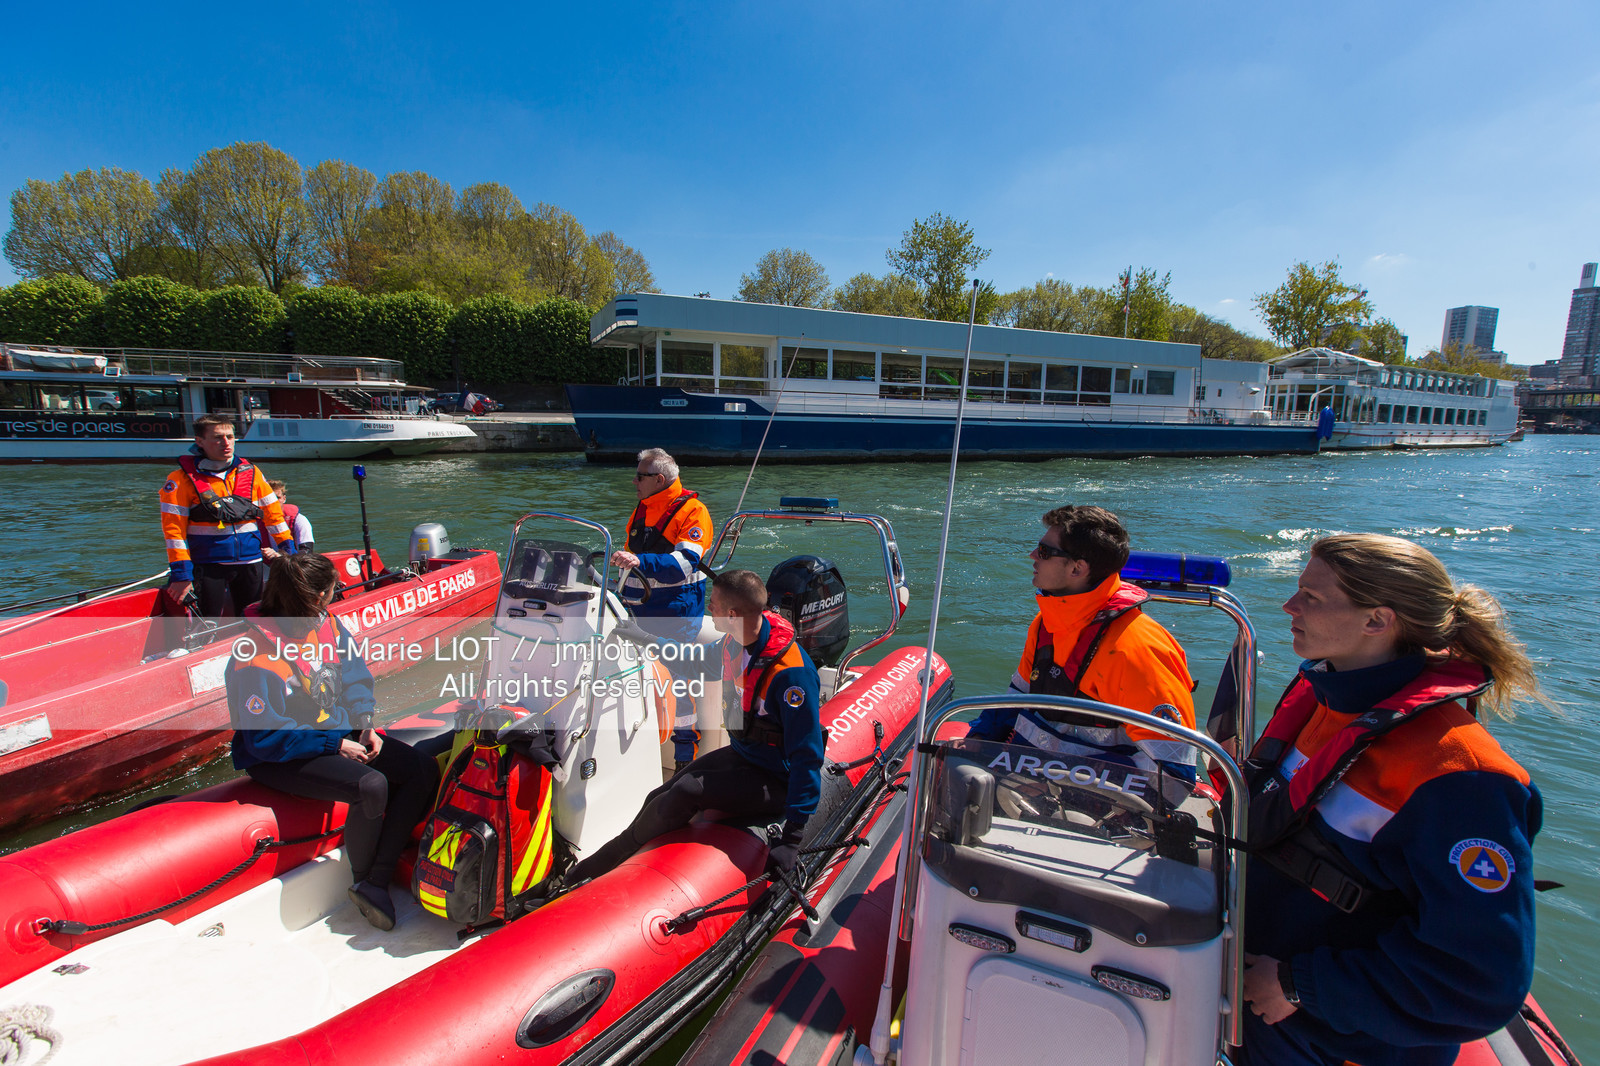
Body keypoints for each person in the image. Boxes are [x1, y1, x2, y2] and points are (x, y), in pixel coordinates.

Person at [1239, 534, 1544, 1066]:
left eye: (1311, 596)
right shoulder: (1324, 700)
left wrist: (1297, 985)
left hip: (1332, 1040)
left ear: (1377, 621)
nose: (1290, 606)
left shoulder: (1461, 777)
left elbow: (1479, 979)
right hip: (1256, 1005)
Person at [560, 569, 824, 888]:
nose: (707, 607)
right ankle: (608, 866)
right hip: (746, 756)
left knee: (686, 792)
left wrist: (791, 839)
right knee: (661, 793)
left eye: (712, 603)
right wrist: (643, 638)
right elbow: (693, 659)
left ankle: (588, 876)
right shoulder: (735, 643)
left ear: (732, 614)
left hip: (775, 779)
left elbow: (807, 757)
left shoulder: (791, 677)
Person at [225, 552, 440, 930]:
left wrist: (364, 724)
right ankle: (365, 879)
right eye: (332, 592)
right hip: (281, 753)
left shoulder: (328, 627)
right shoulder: (254, 655)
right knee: (371, 784)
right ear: (319, 595)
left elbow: (356, 678)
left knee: (421, 768)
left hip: (333, 733)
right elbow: (264, 737)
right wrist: (334, 746)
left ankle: (378, 878)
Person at [966, 505, 1199, 788]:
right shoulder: (1045, 625)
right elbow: (1016, 699)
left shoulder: (1137, 648)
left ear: (1077, 568)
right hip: (1033, 788)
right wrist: (976, 741)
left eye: (1044, 551)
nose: (1032, 556)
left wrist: (1075, 790)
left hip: (1096, 814)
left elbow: (1173, 777)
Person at [610, 447, 716, 769]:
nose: (634, 481)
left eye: (639, 476)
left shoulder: (693, 512)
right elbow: (631, 563)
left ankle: (684, 760)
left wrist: (638, 560)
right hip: (637, 611)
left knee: (680, 688)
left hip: (675, 615)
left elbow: (682, 565)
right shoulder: (642, 509)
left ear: (658, 479)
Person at [160, 415, 295, 617]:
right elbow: (173, 532)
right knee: (207, 622)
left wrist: (289, 553)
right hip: (208, 565)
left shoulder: (252, 473)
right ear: (199, 441)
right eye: (218, 438)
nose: (226, 443)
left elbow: (274, 516)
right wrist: (181, 573)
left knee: (252, 618)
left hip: (250, 562)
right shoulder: (179, 480)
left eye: (230, 436)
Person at [259, 479, 315, 556]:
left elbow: (307, 553)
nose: (273, 502)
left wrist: (278, 556)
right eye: (269, 499)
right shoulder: (255, 522)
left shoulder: (299, 520)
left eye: (277, 498)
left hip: (293, 564)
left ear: (284, 499)